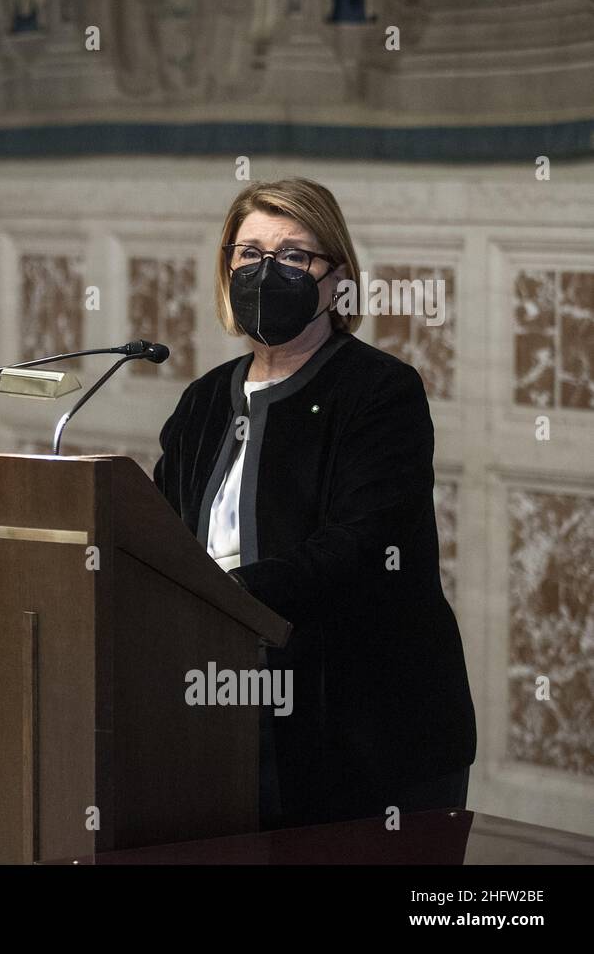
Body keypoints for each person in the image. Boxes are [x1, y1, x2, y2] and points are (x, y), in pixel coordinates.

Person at [153, 177, 476, 829]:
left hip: (365, 728)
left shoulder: (380, 391)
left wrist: (225, 595)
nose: (266, 272)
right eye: (249, 254)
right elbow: (159, 535)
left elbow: (357, 547)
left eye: (293, 255)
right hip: (226, 718)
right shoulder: (204, 400)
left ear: (337, 276)